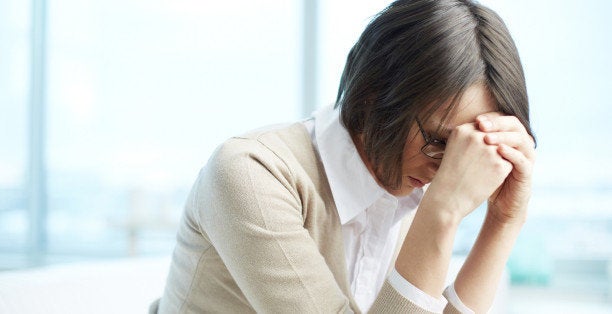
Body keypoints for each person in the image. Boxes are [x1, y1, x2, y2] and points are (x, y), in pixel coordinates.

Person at [152, 0, 536, 313]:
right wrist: (442, 213)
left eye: (469, 148)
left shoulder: (405, 195)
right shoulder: (251, 173)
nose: (447, 170)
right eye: (439, 139)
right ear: (373, 94)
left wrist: (503, 222)